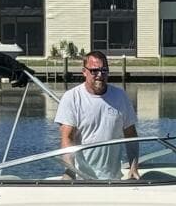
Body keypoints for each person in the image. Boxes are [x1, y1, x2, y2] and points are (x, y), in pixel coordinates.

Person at [55, 50, 139, 179]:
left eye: (104, 70)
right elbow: (67, 138)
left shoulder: (120, 96)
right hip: (82, 178)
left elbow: (131, 135)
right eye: (94, 71)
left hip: (113, 178)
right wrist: (70, 171)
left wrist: (134, 167)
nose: (100, 75)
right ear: (84, 72)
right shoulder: (72, 98)